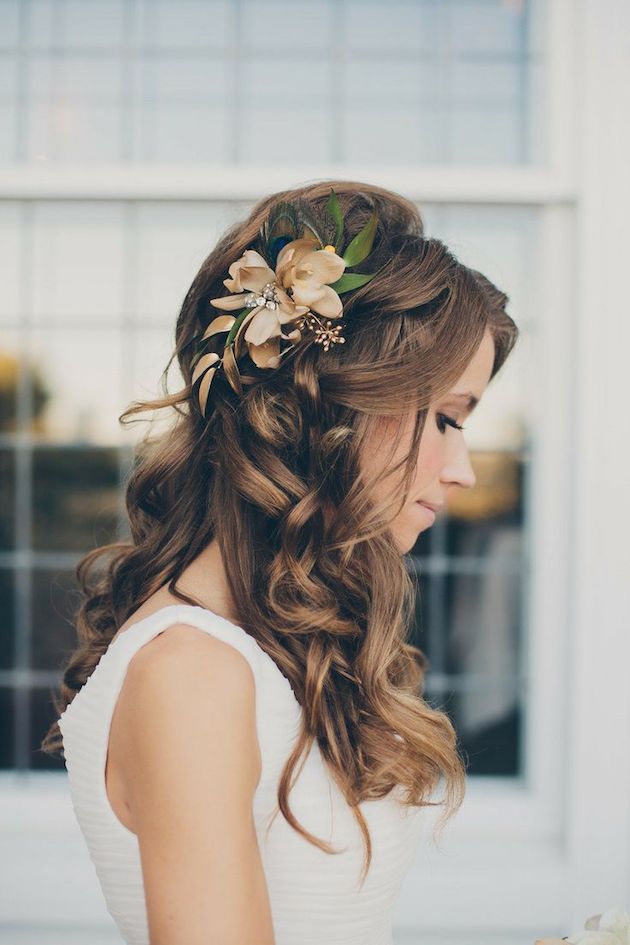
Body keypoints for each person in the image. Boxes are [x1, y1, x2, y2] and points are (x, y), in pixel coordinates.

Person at [42, 179, 519, 945]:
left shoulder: (271, 648)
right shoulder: (191, 673)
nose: (461, 468)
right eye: (447, 418)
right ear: (333, 408)